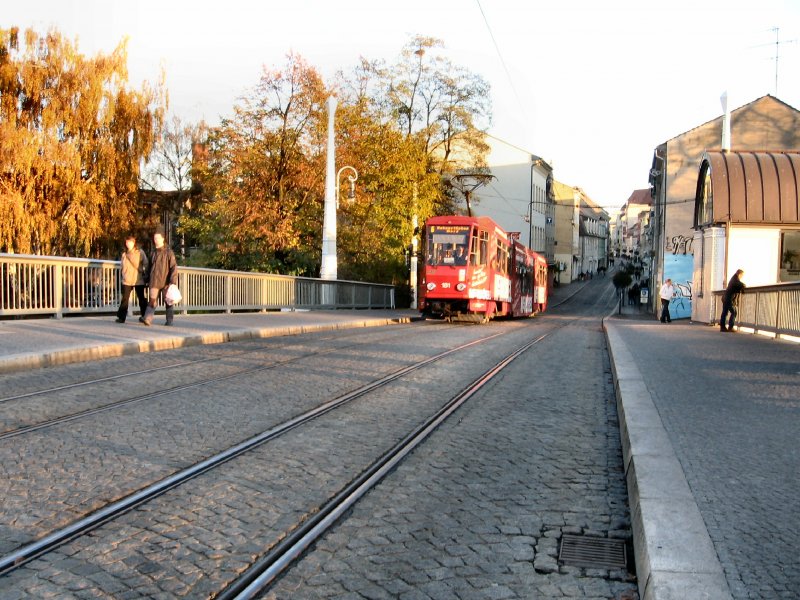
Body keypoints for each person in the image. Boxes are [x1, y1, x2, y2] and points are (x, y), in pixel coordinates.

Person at [142, 227, 178, 326]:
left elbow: (173, 267)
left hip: (166, 281)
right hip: (154, 281)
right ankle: (148, 319)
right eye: (154, 238)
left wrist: (172, 282)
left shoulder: (169, 253)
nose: (156, 240)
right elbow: (149, 267)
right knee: (152, 300)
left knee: (168, 301)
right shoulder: (152, 253)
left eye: (158, 238)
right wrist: (146, 279)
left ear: (163, 239)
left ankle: (169, 320)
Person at [115, 235, 149, 323]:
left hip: (138, 279)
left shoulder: (140, 252)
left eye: (130, 242)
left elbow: (146, 263)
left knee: (141, 298)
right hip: (127, 279)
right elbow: (122, 266)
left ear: (134, 243)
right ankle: (121, 317)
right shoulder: (124, 254)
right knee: (125, 299)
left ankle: (145, 316)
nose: (128, 244)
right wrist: (123, 275)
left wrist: (145, 273)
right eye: (127, 242)